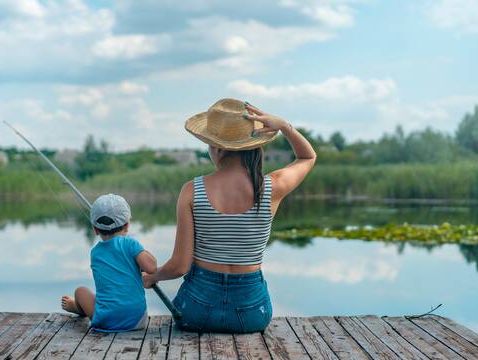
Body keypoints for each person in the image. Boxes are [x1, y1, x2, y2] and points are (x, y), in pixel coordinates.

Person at [142, 98, 316, 333]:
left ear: (218, 147)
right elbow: (307, 157)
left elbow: (179, 266)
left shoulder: (192, 190)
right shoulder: (272, 187)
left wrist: (154, 276)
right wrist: (285, 126)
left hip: (196, 312)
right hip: (253, 314)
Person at [61, 193, 157, 332]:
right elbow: (152, 267)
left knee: (80, 291)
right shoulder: (131, 244)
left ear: (95, 229)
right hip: (137, 320)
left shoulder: (95, 253)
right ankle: (78, 307)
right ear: (127, 225)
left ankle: (77, 307)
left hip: (106, 321)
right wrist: (139, 250)